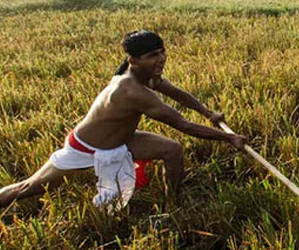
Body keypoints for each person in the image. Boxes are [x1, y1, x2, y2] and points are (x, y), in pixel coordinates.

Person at [0, 30, 246, 211]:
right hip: (86, 147)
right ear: (133, 61)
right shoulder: (130, 90)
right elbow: (182, 124)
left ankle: (173, 203)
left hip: (123, 141)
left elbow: (178, 93)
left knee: (173, 150)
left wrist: (208, 114)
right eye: (152, 55)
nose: (161, 59)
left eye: (162, 52)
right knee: (31, 187)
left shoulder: (148, 76)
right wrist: (228, 138)